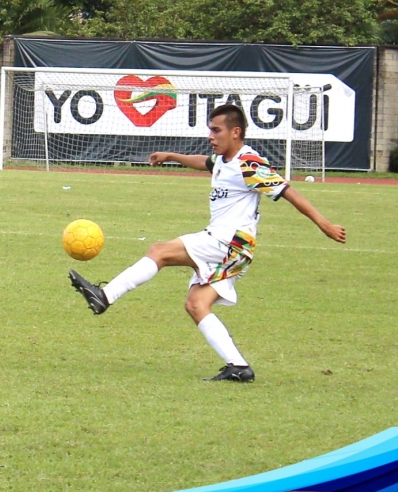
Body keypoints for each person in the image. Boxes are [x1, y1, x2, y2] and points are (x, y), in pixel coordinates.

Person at [68, 104, 345, 382]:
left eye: (216, 130)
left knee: (159, 251)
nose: (211, 136)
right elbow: (206, 162)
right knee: (196, 304)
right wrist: (172, 156)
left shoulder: (249, 163)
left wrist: (324, 224)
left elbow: (287, 191)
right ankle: (239, 367)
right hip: (232, 247)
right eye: (210, 130)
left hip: (230, 242)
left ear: (235, 132)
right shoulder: (224, 159)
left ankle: (105, 297)